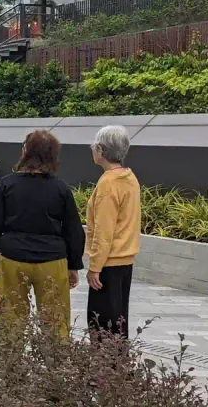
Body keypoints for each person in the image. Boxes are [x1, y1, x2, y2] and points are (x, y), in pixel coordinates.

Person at [0, 130, 85, 339]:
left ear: (25, 151)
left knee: (9, 319)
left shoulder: (7, 184)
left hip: (12, 258)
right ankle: (57, 366)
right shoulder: (61, 188)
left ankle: (7, 366)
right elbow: (73, 229)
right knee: (55, 322)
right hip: (52, 261)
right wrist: (73, 265)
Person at [86, 125, 141, 339]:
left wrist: (95, 267)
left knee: (101, 325)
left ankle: (105, 372)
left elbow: (104, 231)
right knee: (118, 322)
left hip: (108, 263)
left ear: (101, 150)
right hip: (125, 260)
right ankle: (119, 369)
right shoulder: (129, 178)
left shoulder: (108, 184)